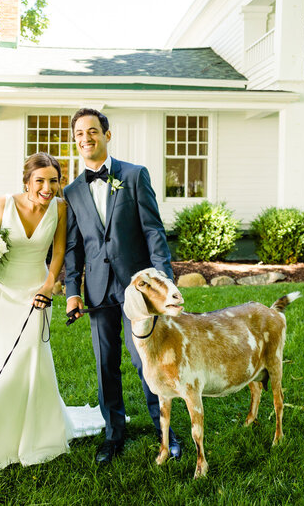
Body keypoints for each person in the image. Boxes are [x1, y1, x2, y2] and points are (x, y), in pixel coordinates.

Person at [0, 152, 103, 471]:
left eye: (53, 180)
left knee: (31, 357)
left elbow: (58, 252)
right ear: (26, 182)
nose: (47, 187)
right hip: (0, 292)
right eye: (39, 180)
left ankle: (34, 432)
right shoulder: (3, 204)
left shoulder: (60, 208)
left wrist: (48, 285)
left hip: (35, 290)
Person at [63, 108, 182, 465]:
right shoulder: (71, 192)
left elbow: (152, 231)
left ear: (107, 135)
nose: (86, 138)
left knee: (147, 361)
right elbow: (74, 249)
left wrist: (162, 282)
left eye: (93, 131)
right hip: (98, 292)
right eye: (80, 133)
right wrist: (72, 291)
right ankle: (114, 435)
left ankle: (166, 432)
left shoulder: (134, 175)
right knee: (105, 365)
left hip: (139, 291)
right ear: (75, 140)